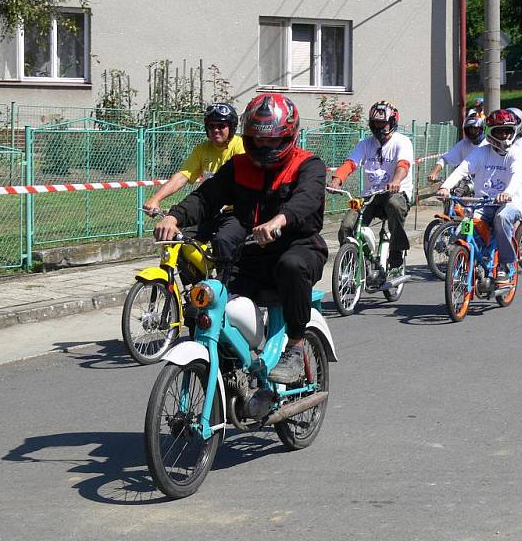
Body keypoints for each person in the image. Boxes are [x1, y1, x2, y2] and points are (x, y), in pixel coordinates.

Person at [154, 92, 328, 384]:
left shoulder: (308, 164)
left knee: (291, 265)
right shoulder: (239, 165)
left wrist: (279, 220)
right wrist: (174, 216)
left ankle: (296, 347)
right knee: (208, 299)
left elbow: (307, 198)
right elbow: (206, 197)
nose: (262, 145)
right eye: (257, 139)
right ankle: (223, 359)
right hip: (250, 255)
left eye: (271, 140)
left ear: (288, 136)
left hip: (298, 247)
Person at [436, 109, 522, 284]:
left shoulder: (517, 153)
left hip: (510, 202)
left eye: (508, 130)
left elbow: (517, 176)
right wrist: (446, 187)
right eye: (499, 131)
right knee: (466, 223)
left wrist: (507, 193)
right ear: (490, 133)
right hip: (483, 203)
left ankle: (505, 264)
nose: (505, 135)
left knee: (501, 218)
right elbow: (463, 169)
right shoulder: (481, 152)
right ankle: (469, 260)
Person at [330, 101, 414, 273]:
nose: (380, 127)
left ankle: (396, 250)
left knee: (394, 204)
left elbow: (403, 164)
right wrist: (337, 179)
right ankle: (352, 266)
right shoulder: (365, 144)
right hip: (370, 195)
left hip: (395, 193)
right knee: (347, 226)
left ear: (392, 122)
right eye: (376, 123)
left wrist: (396, 180)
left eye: (383, 123)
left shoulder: (402, 142)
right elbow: (351, 163)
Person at [144, 102, 245, 215]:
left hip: (235, 211)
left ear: (231, 127)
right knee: (169, 229)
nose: (216, 130)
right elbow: (182, 177)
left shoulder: (240, 147)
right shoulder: (201, 149)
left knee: (225, 233)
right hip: (211, 209)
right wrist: (155, 199)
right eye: (211, 126)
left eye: (221, 126)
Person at [427, 112, 487, 183]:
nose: (472, 132)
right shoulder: (464, 143)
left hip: (485, 184)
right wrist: (434, 173)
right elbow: (445, 159)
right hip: (467, 185)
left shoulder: (488, 144)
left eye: (475, 129)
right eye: (470, 130)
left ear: (481, 129)